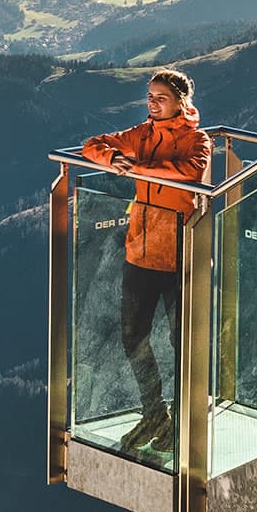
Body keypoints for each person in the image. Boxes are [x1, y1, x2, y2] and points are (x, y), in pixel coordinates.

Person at [80, 67, 210, 454]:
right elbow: (91, 144)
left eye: (160, 98)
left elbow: (189, 172)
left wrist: (134, 166)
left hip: (180, 254)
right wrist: (114, 157)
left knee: (182, 341)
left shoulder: (196, 139)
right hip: (140, 251)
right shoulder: (142, 134)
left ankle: (185, 420)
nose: (152, 103)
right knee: (132, 336)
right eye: (149, 96)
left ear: (180, 102)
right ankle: (155, 412)